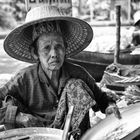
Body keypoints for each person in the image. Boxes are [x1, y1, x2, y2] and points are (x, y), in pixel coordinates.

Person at [0, 5, 121, 138]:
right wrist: (18, 116)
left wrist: (109, 107)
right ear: (35, 53)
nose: (54, 54)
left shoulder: (78, 72)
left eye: (58, 46)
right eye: (46, 48)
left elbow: (102, 99)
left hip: (70, 134)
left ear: (65, 48)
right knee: (9, 101)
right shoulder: (24, 78)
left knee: (76, 86)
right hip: (35, 134)